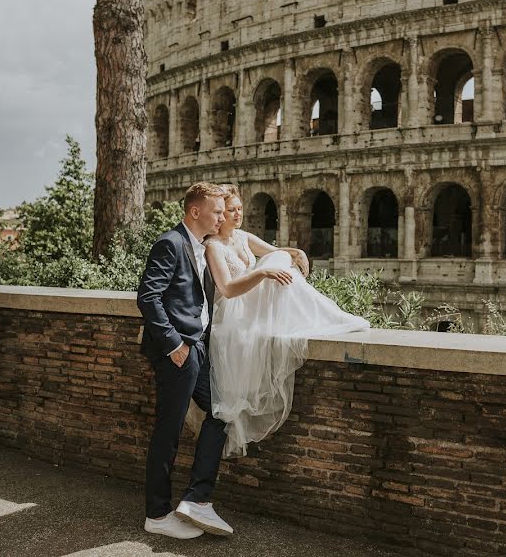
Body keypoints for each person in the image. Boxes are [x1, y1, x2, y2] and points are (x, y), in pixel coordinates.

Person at [203, 184, 369, 458]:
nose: (236, 214)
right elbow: (229, 289)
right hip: (232, 309)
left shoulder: (243, 237)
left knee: (279, 257)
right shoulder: (214, 246)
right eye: (230, 210)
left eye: (239, 209)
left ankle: (315, 317)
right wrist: (263, 273)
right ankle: (317, 317)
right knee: (274, 264)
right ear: (219, 215)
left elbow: (278, 251)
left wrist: (296, 252)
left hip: (250, 303)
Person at [136, 182, 234, 539]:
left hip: (199, 349)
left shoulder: (203, 246)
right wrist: (174, 344)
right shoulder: (170, 243)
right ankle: (157, 515)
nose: (222, 216)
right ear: (196, 211)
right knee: (169, 431)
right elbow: (149, 297)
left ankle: (197, 499)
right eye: (217, 211)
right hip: (178, 352)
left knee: (222, 411)